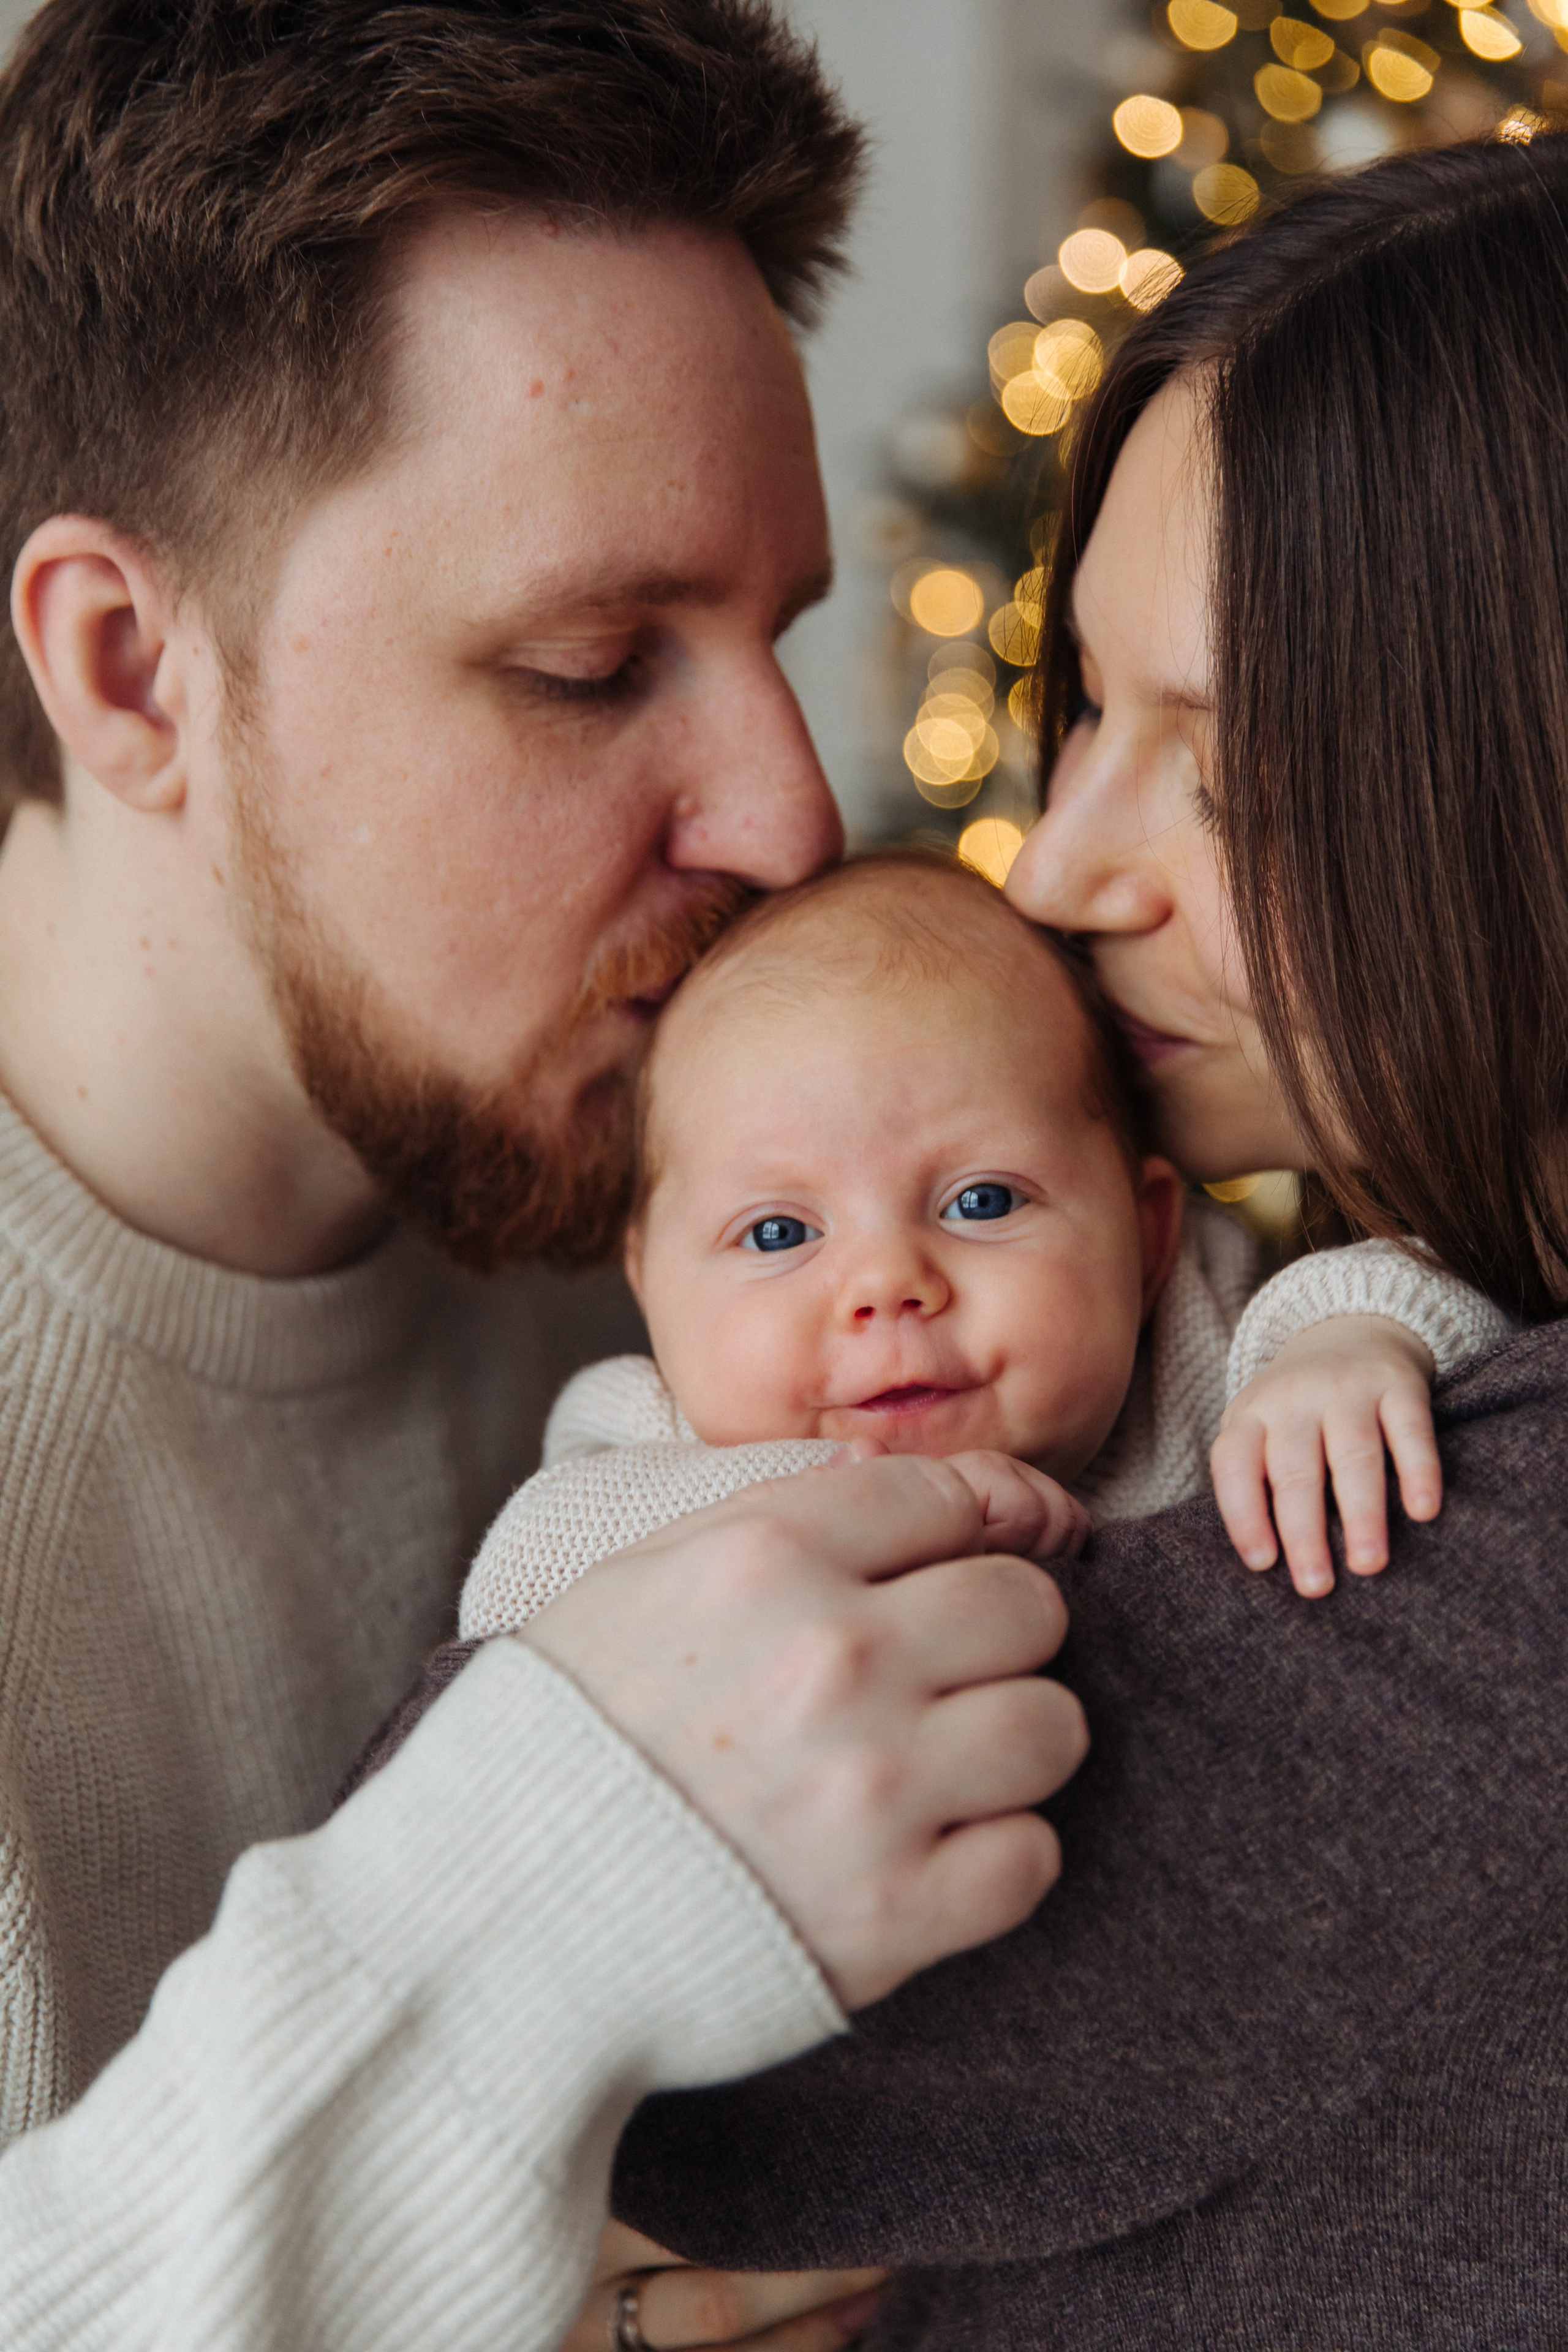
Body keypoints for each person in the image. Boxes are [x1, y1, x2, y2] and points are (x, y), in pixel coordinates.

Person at [0, 6, 1095, 2348]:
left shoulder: (743, 1214)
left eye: (771, 637)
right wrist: (554, 1880)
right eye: (598, 664)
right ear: (126, 670)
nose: (791, 820)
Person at [598, 132, 1568, 2344]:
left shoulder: (1473, 1584)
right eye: (1088, 717)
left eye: (1218, 770)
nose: (1053, 869)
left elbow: (549, 1989)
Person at [453, 848, 1507, 1651]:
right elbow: (517, 1587)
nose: (886, 1286)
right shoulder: (654, 1433)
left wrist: (1351, 1343)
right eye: (778, 1233)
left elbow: (1407, 1292)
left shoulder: (1191, 1340)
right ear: (650, 1282)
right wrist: (879, 1507)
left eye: (983, 1201)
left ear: (1144, 1238)